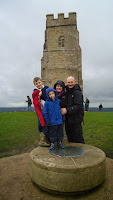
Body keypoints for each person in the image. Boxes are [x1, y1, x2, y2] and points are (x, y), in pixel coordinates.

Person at [61, 76, 85, 144]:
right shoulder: (66, 91)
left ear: (75, 82)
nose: (70, 84)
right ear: (66, 83)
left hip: (76, 119)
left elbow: (78, 106)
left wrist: (67, 110)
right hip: (68, 119)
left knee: (78, 138)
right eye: (69, 82)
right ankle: (71, 153)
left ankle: (81, 153)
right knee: (70, 138)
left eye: (72, 82)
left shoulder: (77, 92)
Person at [32, 77, 50, 147]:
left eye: (39, 82)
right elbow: (34, 99)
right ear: (34, 85)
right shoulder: (35, 90)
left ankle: (46, 136)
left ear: (41, 82)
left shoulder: (46, 88)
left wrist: (41, 94)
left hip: (46, 108)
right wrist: (38, 95)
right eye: (36, 84)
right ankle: (42, 136)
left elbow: (47, 97)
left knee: (46, 121)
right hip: (39, 109)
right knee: (40, 122)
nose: (38, 84)